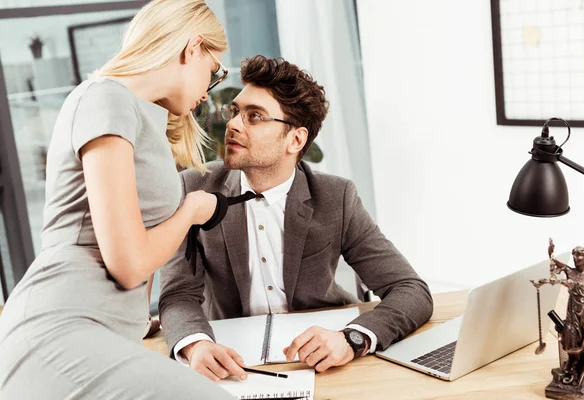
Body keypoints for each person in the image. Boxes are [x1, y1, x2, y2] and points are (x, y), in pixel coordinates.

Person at [0, 1, 236, 398]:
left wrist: (137, 320)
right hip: (60, 328)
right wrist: (192, 210)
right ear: (192, 48)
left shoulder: (141, 117)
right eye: (213, 71)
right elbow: (128, 265)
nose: (208, 89)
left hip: (103, 330)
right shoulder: (104, 97)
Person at [159, 55, 434, 383]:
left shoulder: (336, 197)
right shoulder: (194, 187)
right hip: (233, 363)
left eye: (255, 116)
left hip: (322, 362)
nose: (233, 124)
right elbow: (178, 294)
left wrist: (351, 338)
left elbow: (410, 289)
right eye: (235, 112)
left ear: (296, 140)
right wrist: (196, 345)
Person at [549, 242, 584, 386]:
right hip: (572, 311)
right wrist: (551, 254)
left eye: (579, 256)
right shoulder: (570, 271)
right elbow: (555, 262)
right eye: (574, 256)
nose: (576, 259)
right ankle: (573, 366)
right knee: (572, 337)